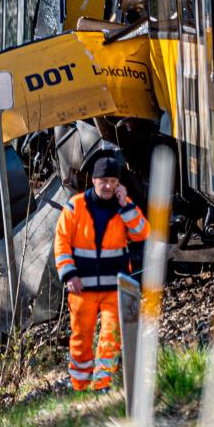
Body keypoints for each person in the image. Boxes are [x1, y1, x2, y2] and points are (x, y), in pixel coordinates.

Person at [52, 144, 149, 391]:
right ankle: (80, 385)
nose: (108, 186)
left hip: (113, 287)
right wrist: (69, 274)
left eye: (113, 181)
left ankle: (102, 384)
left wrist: (126, 205)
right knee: (81, 338)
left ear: (118, 184)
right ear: (94, 180)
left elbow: (141, 233)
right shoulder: (75, 207)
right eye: (103, 180)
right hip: (81, 286)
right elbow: (61, 243)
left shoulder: (123, 207)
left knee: (110, 336)